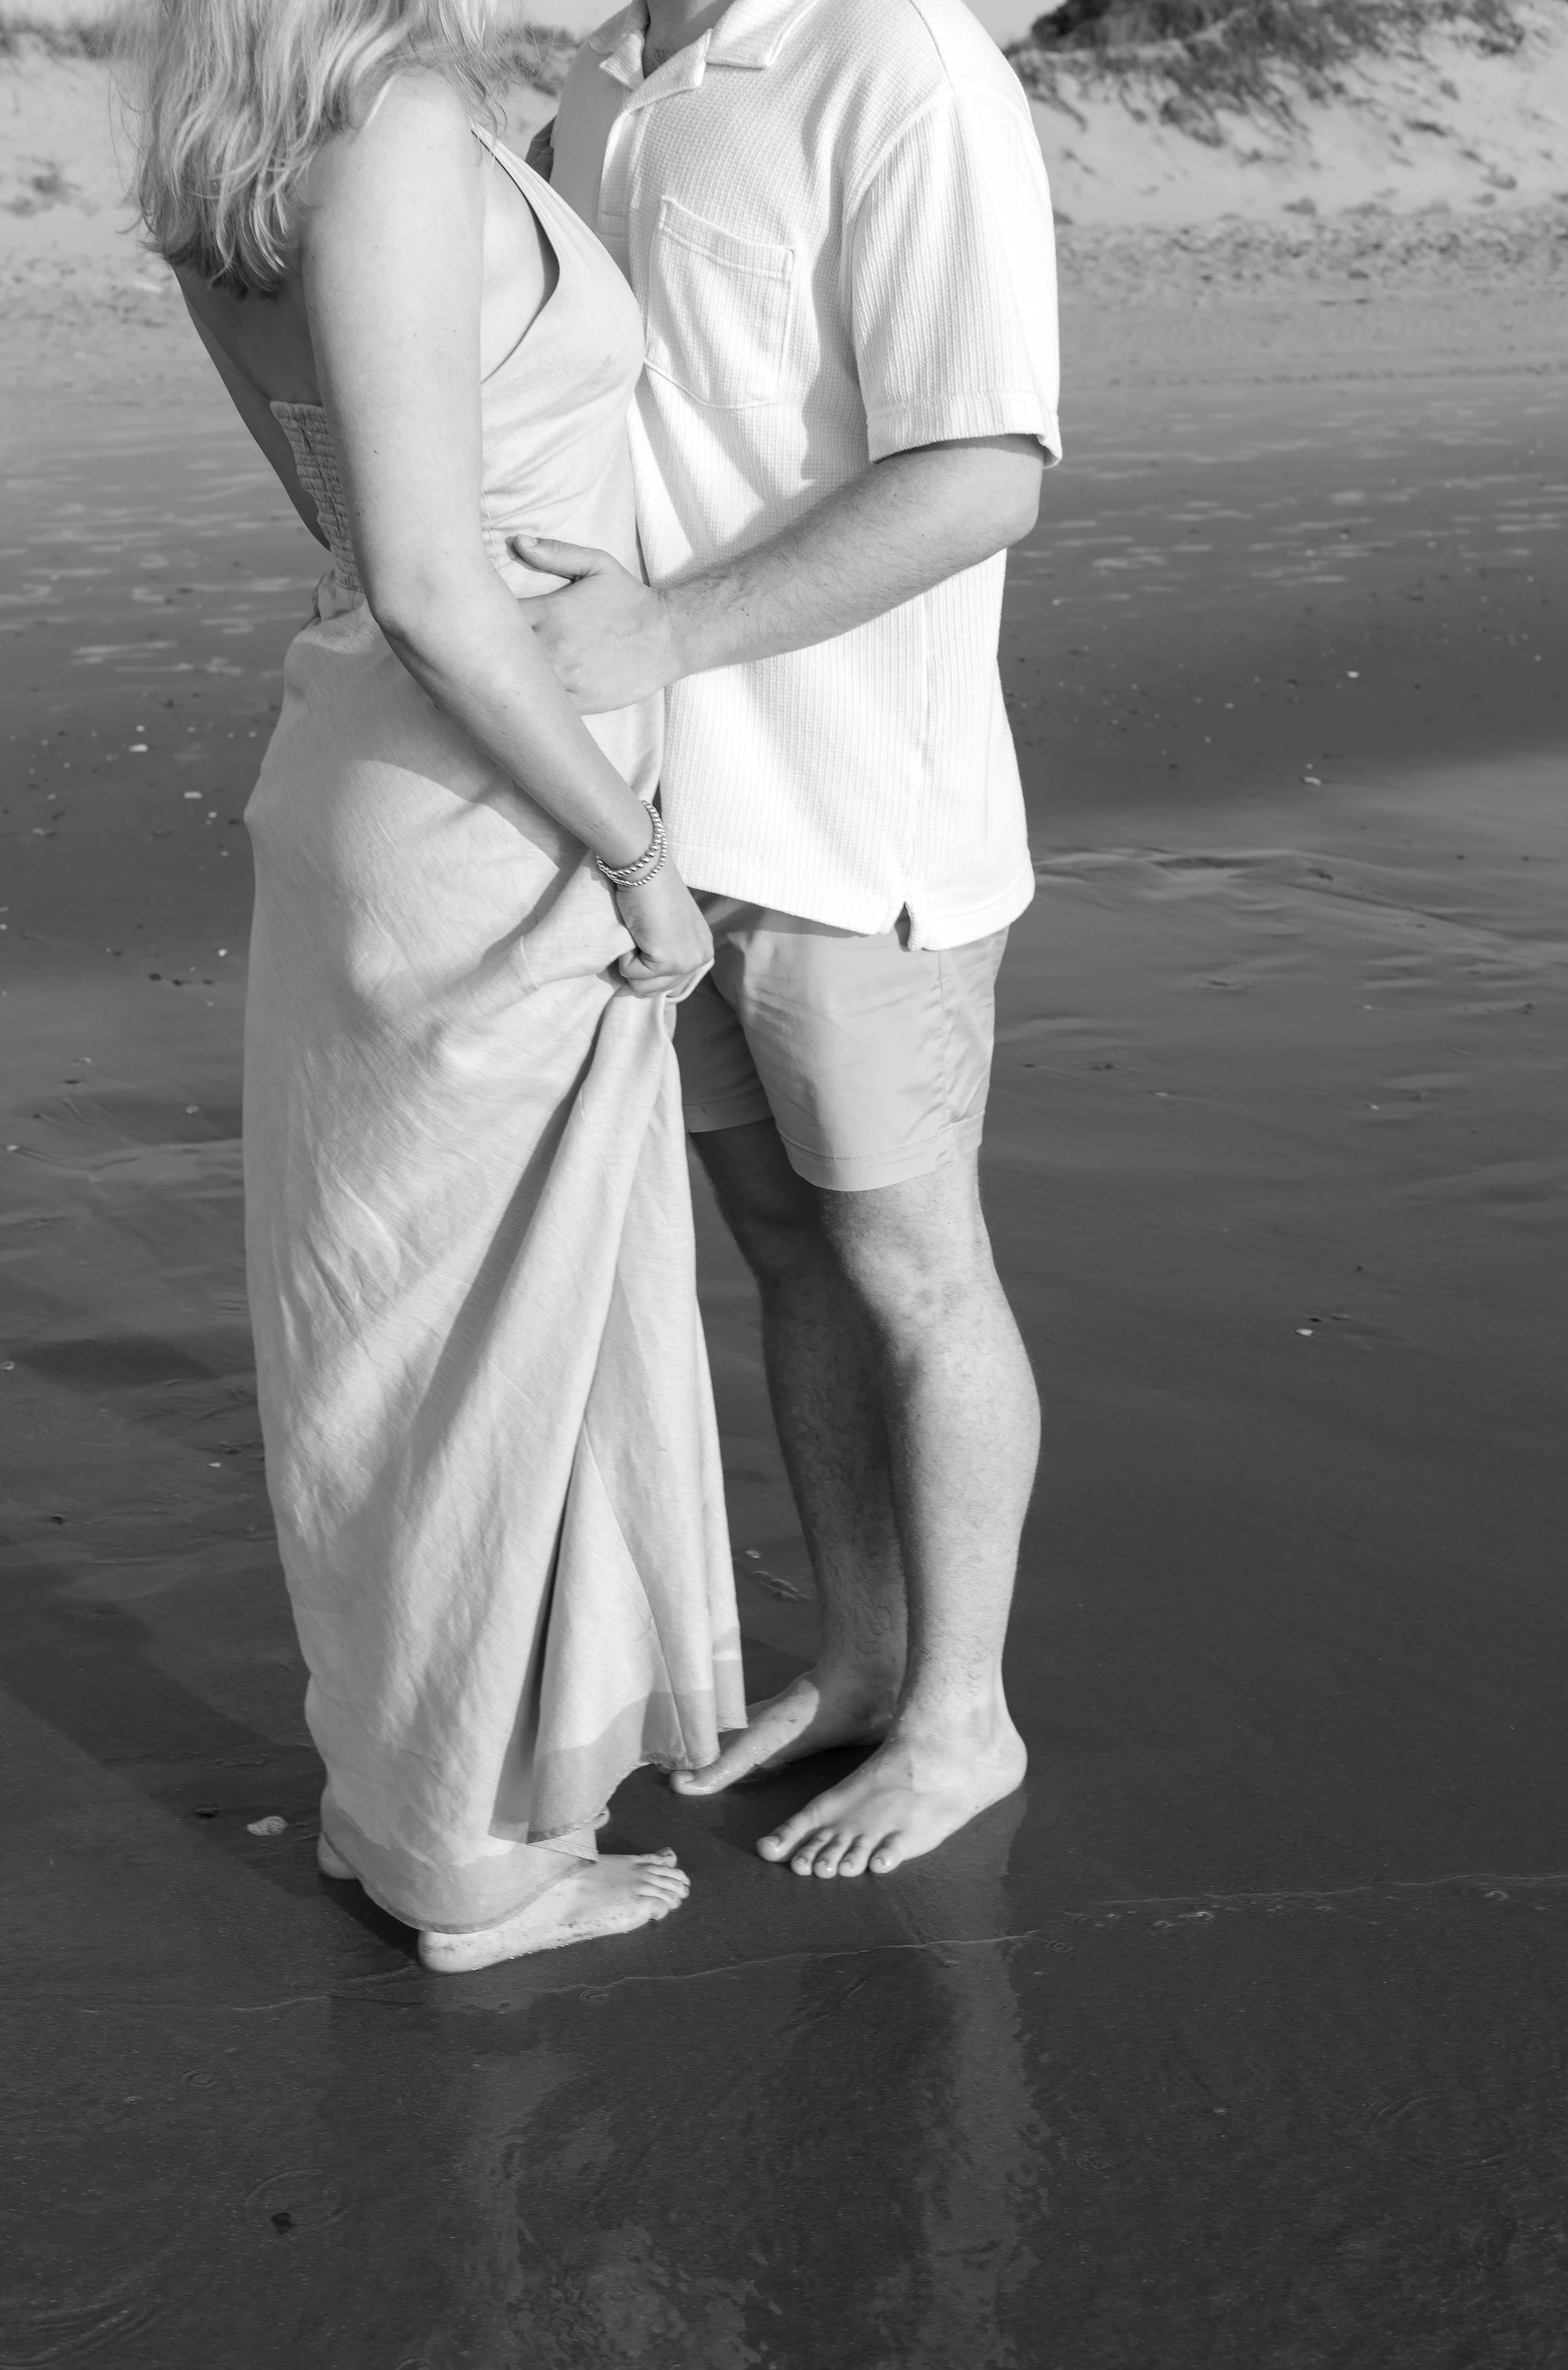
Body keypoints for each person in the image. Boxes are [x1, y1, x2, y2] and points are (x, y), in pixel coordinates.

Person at [127, 0, 744, 1972]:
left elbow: (354, 523)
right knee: (483, 1344)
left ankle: (398, 1798)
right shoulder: (389, 119)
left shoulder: (251, 126)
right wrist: (640, 854)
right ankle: (466, 1863)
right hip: (485, 788)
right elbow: (426, 570)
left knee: (393, 1337)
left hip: (389, 765)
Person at [521, 0, 1061, 1880]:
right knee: (783, 1248)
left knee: (911, 1264)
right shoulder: (602, 72)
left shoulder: (896, 59)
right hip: (659, 825)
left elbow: (985, 466)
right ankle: (859, 1658)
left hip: (856, 826)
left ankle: (962, 1715)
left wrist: (666, 633)